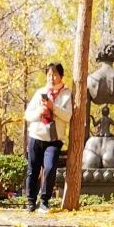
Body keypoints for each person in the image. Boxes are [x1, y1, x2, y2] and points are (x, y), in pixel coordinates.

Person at [24, 61, 73, 213]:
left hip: (54, 139)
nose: (52, 78)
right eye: (49, 75)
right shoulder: (40, 93)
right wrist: (39, 112)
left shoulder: (67, 94)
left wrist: (53, 107)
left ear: (61, 76)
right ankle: (31, 201)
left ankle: (44, 201)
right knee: (33, 170)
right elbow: (27, 115)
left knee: (50, 168)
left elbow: (68, 116)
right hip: (36, 136)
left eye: (55, 75)